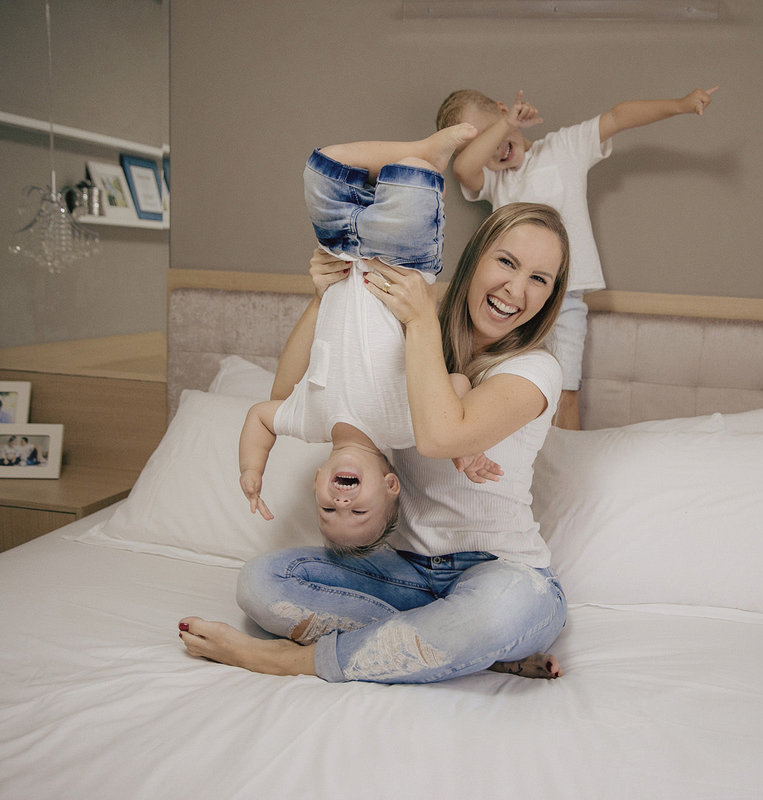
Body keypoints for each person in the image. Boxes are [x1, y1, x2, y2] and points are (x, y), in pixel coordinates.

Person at [180, 201, 571, 683]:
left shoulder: (536, 370)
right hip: (402, 573)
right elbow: (286, 396)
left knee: (493, 616)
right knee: (262, 583)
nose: (516, 289)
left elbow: (440, 434)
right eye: (507, 262)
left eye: (540, 278)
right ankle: (464, 649)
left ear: (551, 296)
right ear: (475, 261)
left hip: (503, 577)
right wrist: (326, 298)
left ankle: (296, 660)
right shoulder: (404, 335)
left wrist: (421, 320)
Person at [239, 123, 501, 555]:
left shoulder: (308, 422)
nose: (341, 503)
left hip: (339, 254)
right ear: (390, 484)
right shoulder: (406, 428)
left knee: (322, 166)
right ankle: (426, 153)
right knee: (413, 176)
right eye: (357, 513)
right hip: (401, 263)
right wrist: (463, 450)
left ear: (317, 482)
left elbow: (259, 416)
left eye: (328, 511)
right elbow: (455, 387)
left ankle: (424, 147)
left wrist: (251, 468)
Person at [435, 85, 718, 429]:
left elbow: (617, 116)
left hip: (565, 299)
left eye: (492, 129)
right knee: (497, 384)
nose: (493, 147)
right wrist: (503, 124)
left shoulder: (564, 147)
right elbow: (464, 167)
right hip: (509, 304)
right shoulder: (495, 181)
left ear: (501, 108)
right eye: (480, 142)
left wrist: (680, 104)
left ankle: (563, 466)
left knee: (564, 389)